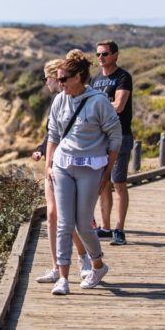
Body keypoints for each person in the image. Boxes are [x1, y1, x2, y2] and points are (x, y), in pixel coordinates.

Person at [45, 50, 122, 295]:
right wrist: (49, 164)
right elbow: (53, 134)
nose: (60, 84)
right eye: (58, 79)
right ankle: (63, 278)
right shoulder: (60, 100)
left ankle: (97, 265)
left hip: (90, 167)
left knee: (83, 225)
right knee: (64, 223)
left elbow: (116, 137)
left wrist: (107, 173)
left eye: (64, 79)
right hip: (63, 165)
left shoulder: (98, 101)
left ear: (78, 77)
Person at [32, 59, 92, 284]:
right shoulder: (58, 101)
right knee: (52, 214)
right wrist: (42, 151)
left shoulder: (75, 100)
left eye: (46, 78)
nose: (46, 83)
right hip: (53, 163)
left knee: (66, 217)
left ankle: (84, 256)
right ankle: (56, 267)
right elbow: (52, 134)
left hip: (70, 164)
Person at [91, 40, 133, 246]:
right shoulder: (96, 79)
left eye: (105, 54)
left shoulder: (123, 77)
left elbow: (119, 106)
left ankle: (119, 229)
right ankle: (105, 227)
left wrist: (98, 107)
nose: (101, 57)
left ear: (115, 55)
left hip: (120, 136)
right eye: (98, 54)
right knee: (103, 183)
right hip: (100, 138)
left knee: (119, 183)